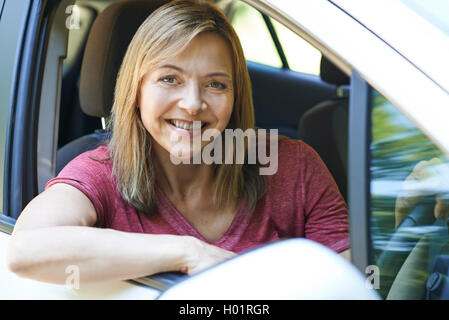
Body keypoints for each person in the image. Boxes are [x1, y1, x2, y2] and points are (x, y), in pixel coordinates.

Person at [6, 0, 350, 286]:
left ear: (235, 97)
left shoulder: (291, 165)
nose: (193, 103)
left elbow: (354, 282)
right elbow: (26, 250)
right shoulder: (101, 172)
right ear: (136, 91)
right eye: (169, 79)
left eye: (216, 85)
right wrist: (188, 252)